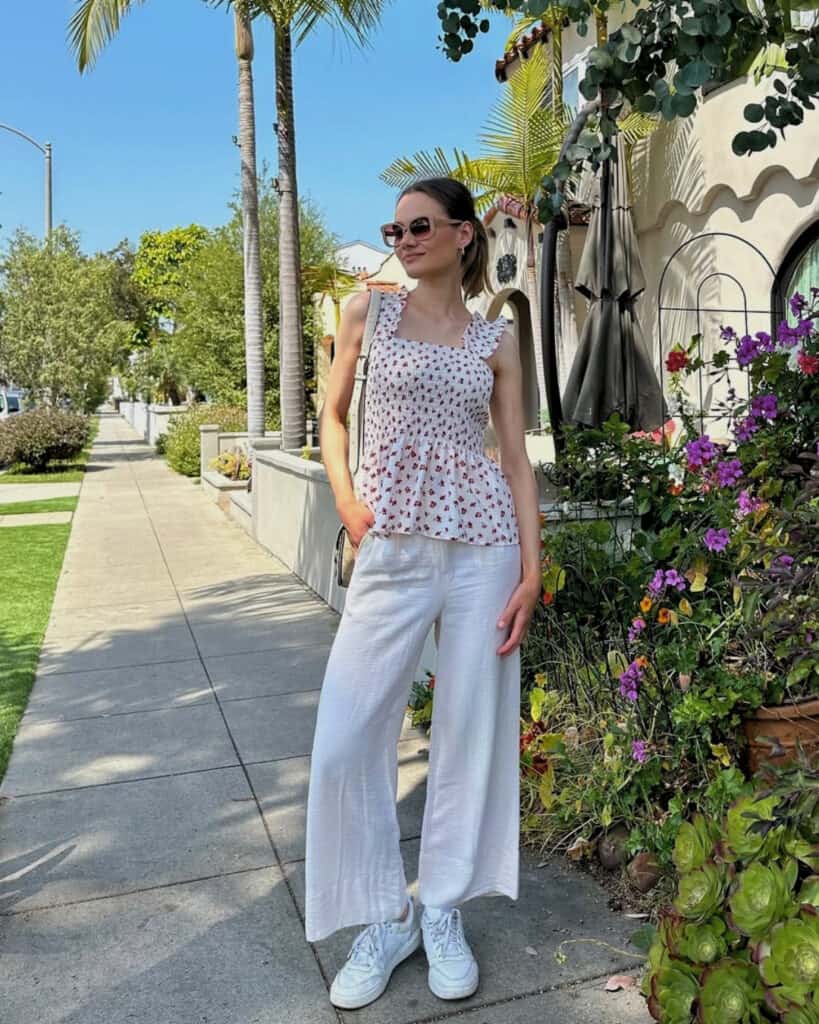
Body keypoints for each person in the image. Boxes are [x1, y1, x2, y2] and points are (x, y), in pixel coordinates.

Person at [305, 176, 541, 1010]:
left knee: (470, 729)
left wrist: (531, 569)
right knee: (344, 735)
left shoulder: (497, 339)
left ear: (463, 235)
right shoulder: (367, 314)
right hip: (393, 542)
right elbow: (332, 418)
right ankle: (381, 916)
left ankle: (440, 907)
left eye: (419, 226)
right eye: (394, 228)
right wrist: (344, 499)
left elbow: (514, 460)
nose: (403, 239)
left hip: (483, 547)